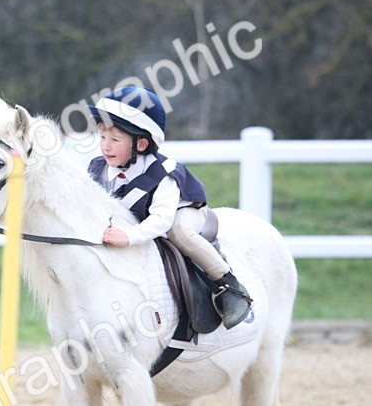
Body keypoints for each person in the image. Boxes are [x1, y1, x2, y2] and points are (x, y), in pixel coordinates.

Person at [86, 85, 252, 328]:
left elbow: (161, 220)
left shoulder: (164, 174)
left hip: (181, 211)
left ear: (141, 145)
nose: (105, 146)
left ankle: (229, 285)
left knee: (178, 231)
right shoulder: (97, 168)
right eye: (102, 137)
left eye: (114, 139)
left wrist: (130, 237)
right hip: (144, 217)